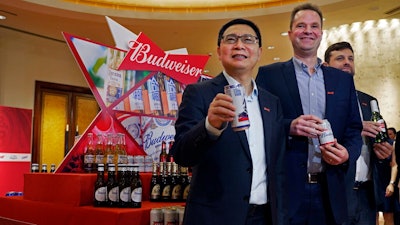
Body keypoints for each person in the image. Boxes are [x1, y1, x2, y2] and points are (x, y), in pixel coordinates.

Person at [170, 18, 288, 225]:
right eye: (231, 39)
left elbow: (277, 163)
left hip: (264, 216)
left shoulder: (272, 102)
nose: (239, 45)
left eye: (248, 40)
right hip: (215, 216)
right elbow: (182, 154)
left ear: (259, 51)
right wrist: (209, 126)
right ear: (219, 50)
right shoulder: (199, 93)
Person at [255, 3, 363, 225]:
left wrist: (347, 155)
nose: (308, 30)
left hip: (331, 188)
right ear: (290, 32)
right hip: (287, 190)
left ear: (321, 34)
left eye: (314, 26)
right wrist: (289, 126)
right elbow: (259, 125)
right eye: (301, 25)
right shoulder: (269, 75)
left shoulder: (342, 80)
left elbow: (354, 128)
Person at [323, 41, 394, 225]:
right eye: (340, 58)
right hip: (338, 190)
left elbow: (381, 140)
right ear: (326, 66)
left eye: (350, 58)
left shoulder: (368, 101)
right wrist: (355, 126)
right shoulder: (322, 98)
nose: (347, 62)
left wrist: (383, 153)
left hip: (366, 193)